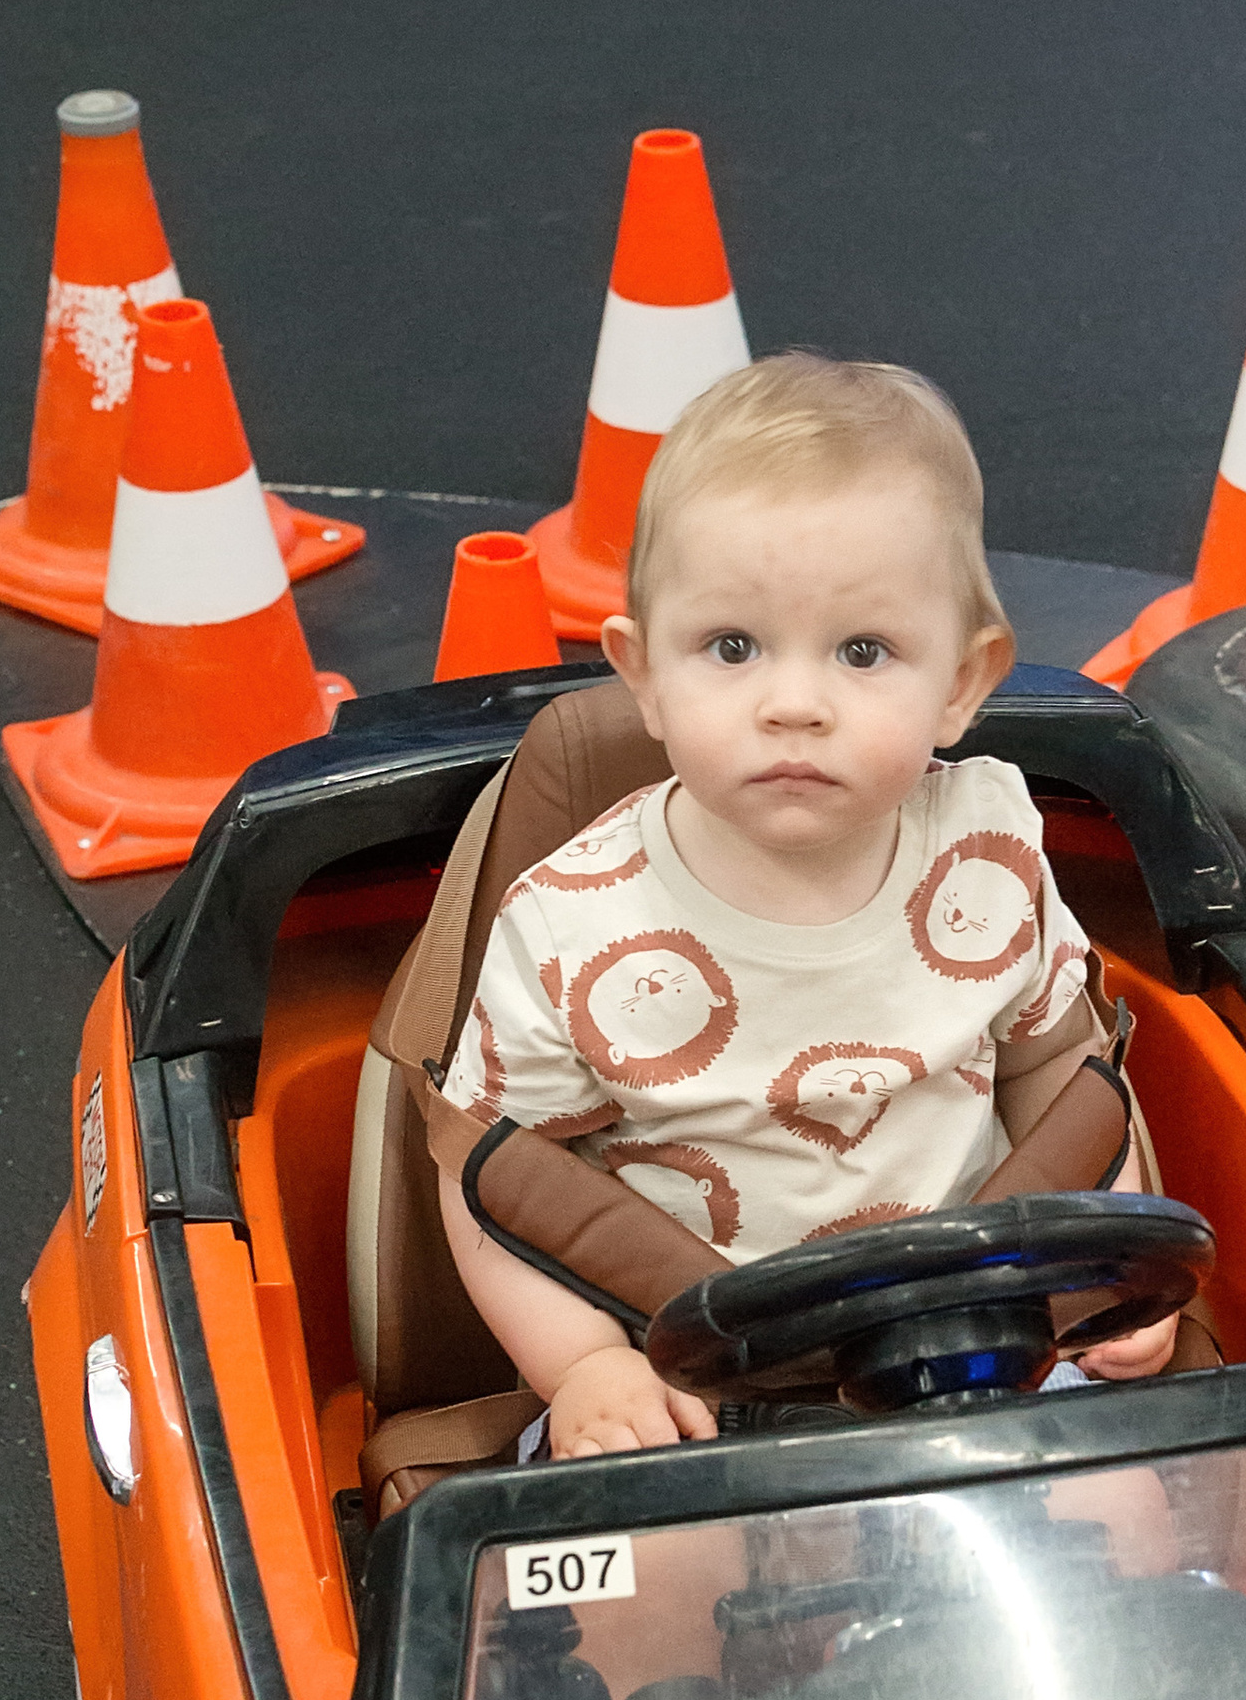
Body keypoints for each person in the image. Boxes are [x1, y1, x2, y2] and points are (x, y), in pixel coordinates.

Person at [425, 351, 1178, 1457]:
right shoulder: (570, 926)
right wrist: (581, 1366)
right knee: (639, 1607)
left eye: (862, 652)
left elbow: (1071, 1086)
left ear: (963, 684)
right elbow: (490, 1180)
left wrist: (1114, 1272)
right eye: (731, 648)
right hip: (687, 1391)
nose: (792, 705)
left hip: (983, 1356)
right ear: (640, 673)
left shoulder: (989, 849)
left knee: (1132, 1527)